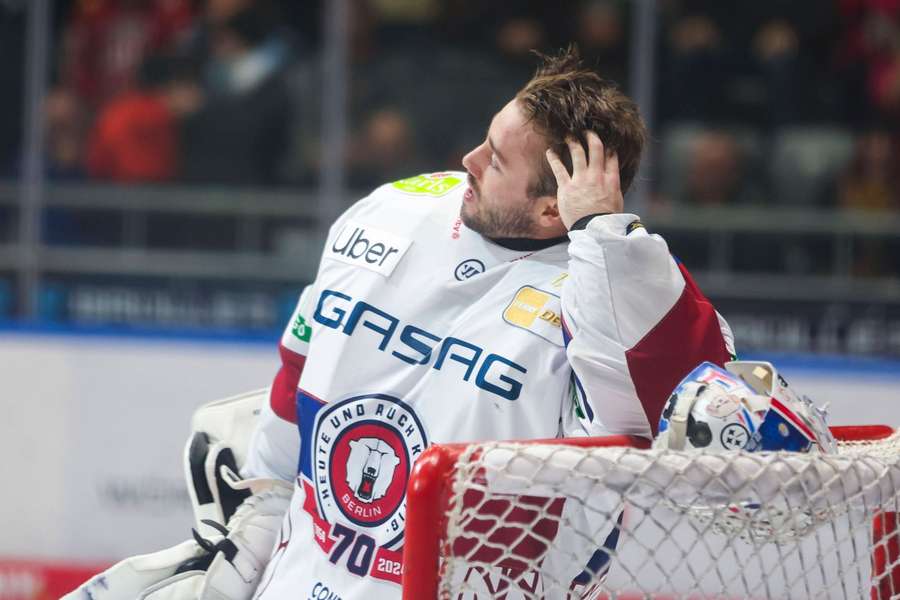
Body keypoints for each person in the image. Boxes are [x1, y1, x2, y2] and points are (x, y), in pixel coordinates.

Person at [67, 46, 734, 599]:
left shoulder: (611, 289)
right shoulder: (394, 210)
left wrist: (605, 234)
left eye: (498, 162)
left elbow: (672, 384)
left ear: (553, 212)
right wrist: (261, 511)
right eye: (486, 139)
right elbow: (303, 361)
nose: (469, 160)